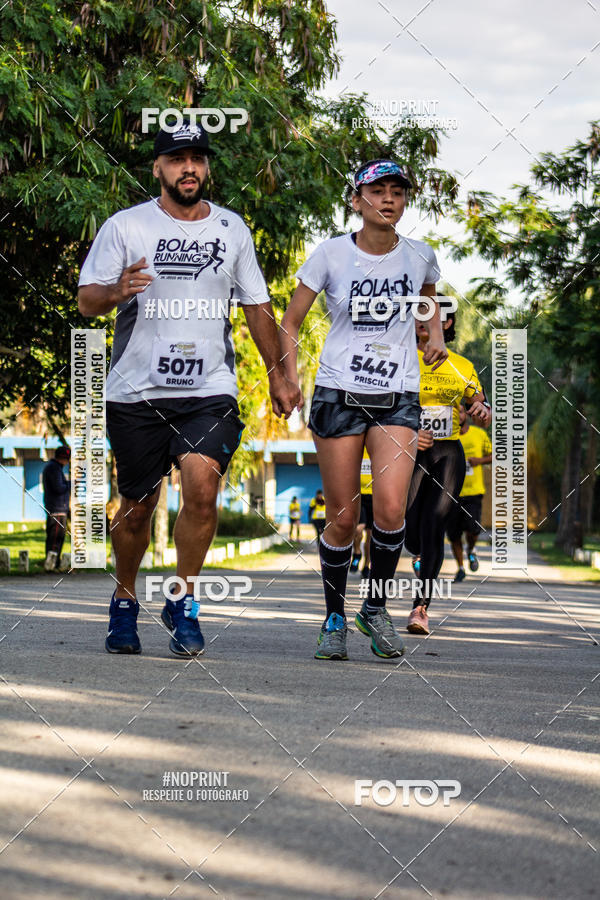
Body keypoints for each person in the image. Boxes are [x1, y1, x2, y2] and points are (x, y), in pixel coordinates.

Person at [78, 119, 299, 657]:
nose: (189, 168)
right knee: (136, 507)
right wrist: (115, 290)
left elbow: (256, 307)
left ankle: (184, 600)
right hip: (136, 390)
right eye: (177, 159)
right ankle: (125, 600)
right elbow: (87, 301)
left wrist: (278, 372)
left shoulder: (232, 230)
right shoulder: (126, 227)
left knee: (202, 487)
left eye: (197, 158)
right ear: (158, 168)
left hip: (209, 388)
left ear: (207, 167)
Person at [281, 158, 446, 661]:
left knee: (392, 509)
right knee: (343, 518)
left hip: (397, 395)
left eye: (398, 190)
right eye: (378, 190)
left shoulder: (420, 255)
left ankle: (374, 607)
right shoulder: (331, 254)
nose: (389, 198)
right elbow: (290, 320)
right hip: (337, 392)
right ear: (357, 200)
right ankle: (334, 616)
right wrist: (285, 378)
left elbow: (428, 301)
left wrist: (434, 333)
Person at [404, 306, 492, 635]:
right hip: (409, 451)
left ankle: (421, 608)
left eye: (429, 316)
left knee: (434, 525)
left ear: (447, 322)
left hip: (447, 454)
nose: (422, 322)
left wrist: (483, 411)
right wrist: (411, 432)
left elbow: (480, 405)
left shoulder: (462, 365)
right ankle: (421, 555)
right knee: (408, 527)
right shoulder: (401, 358)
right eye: (417, 315)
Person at [447, 405, 492, 581]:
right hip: (450, 493)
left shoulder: (479, 434)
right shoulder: (446, 435)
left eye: (460, 411)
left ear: (466, 414)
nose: (457, 415)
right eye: (453, 412)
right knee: (454, 535)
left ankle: (471, 549)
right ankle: (460, 568)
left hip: (473, 492)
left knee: (473, 530)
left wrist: (479, 460)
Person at [42, 446, 71, 572]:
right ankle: (51, 565)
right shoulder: (53, 469)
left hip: (58, 508)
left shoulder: (54, 468)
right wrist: (72, 483)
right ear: (64, 459)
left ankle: (55, 563)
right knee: (56, 538)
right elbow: (58, 488)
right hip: (57, 509)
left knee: (56, 537)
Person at [350, 448, 373, 578]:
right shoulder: (358, 448)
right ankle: (357, 553)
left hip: (374, 496)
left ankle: (366, 565)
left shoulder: (377, 447)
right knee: (358, 529)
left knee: (370, 536)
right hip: (359, 495)